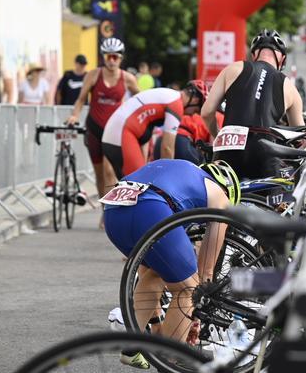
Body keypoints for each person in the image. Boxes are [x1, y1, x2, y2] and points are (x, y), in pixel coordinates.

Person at [100, 159, 240, 366]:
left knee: (157, 273)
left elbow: (145, 272)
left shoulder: (183, 172)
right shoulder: (221, 198)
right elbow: (206, 272)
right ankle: (169, 362)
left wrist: (157, 327)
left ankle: (131, 347)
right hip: (151, 208)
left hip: (114, 211)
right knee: (189, 289)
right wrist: (195, 311)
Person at [201, 29, 305, 180]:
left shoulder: (233, 68)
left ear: (254, 54)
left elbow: (207, 112)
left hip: (229, 145)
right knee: (269, 201)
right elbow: (300, 136)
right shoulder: (289, 87)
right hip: (265, 149)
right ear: (282, 59)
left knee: (220, 199)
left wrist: (218, 135)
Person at [67, 38, 141, 201]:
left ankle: (111, 210)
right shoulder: (93, 75)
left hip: (114, 131)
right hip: (94, 129)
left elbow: (141, 100)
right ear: (103, 58)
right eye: (109, 57)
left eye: (115, 57)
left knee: (109, 171)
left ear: (121, 58)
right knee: (99, 173)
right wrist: (74, 116)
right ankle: (104, 209)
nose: (112, 61)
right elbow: (81, 99)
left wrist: (141, 121)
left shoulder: (127, 78)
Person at [101, 80, 208, 178]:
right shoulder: (176, 104)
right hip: (122, 133)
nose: (193, 114)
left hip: (117, 132)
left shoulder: (170, 95)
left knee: (131, 189)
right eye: (197, 109)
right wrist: (167, 179)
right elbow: (167, 148)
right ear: (194, 99)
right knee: (139, 185)